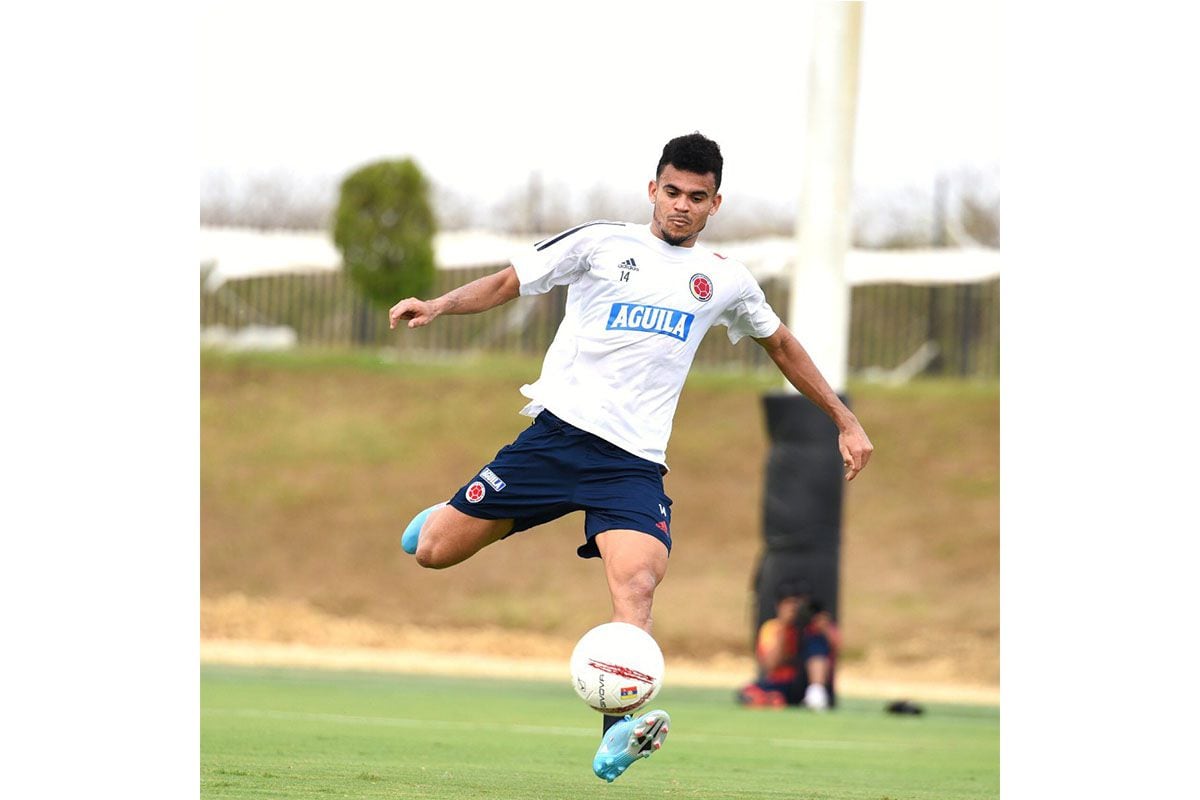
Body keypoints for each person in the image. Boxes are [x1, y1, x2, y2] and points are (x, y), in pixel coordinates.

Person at [389, 132, 873, 782]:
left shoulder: (724, 279)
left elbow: (781, 345)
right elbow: (509, 281)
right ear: (653, 190)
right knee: (433, 551)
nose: (681, 205)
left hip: (630, 467)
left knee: (638, 585)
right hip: (554, 442)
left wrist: (844, 419)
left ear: (715, 204)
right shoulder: (600, 242)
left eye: (696, 197)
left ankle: (617, 734)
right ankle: (444, 515)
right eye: (672, 192)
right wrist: (438, 304)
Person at [738, 586, 841, 710]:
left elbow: (837, 648)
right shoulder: (772, 628)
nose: (795, 609)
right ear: (779, 606)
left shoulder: (813, 629)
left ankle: (816, 693)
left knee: (816, 642)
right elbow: (770, 665)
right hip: (782, 681)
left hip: (805, 682)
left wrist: (824, 628)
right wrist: (784, 628)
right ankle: (772, 698)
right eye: (790, 604)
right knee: (748, 691)